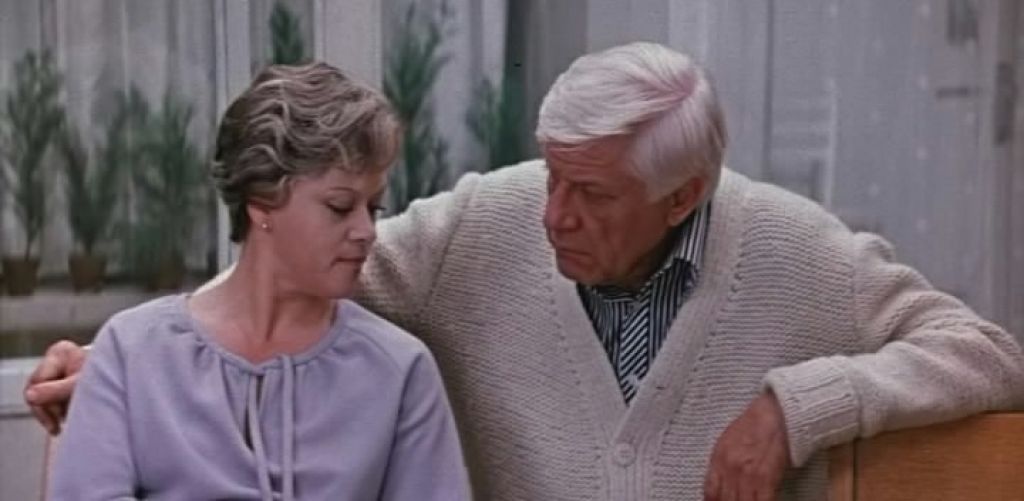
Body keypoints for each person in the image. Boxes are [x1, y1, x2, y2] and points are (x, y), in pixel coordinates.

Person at [29, 43, 1024, 500]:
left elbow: (985, 354)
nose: (551, 215)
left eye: (590, 194)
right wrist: (126, 361)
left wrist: (794, 407)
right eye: (551, 174)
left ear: (683, 195)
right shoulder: (487, 223)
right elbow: (295, 267)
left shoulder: (794, 250)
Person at [46, 62, 470, 501]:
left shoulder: (400, 370)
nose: (366, 231)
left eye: (374, 207)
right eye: (340, 207)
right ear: (261, 202)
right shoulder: (130, 351)